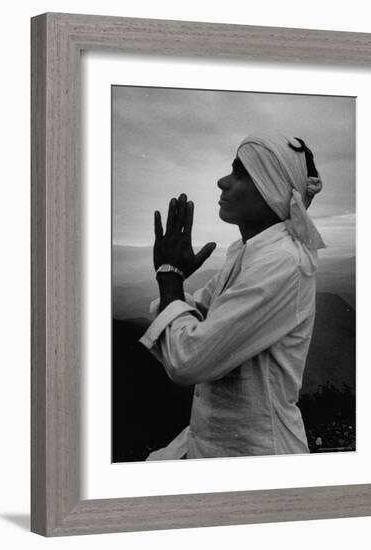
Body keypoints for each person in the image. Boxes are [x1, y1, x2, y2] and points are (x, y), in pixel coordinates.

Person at [139, 132, 325, 460]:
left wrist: (169, 277)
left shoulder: (281, 261)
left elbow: (188, 359)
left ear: (271, 188)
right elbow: (198, 316)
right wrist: (175, 281)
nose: (222, 182)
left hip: (258, 459)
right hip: (217, 449)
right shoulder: (246, 252)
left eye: (240, 173)